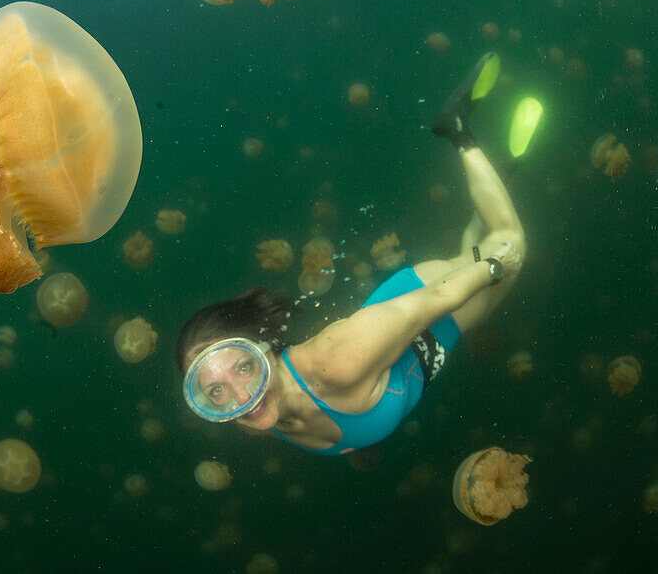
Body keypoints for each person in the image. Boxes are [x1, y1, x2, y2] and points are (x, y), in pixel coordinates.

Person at [176, 53, 531, 456]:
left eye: (243, 366)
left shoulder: (336, 362)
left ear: (262, 346)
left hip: (432, 311)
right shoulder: (253, 417)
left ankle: (459, 131)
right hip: (402, 337)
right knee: (472, 250)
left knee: (511, 240)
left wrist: (496, 265)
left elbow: (438, 298)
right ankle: (502, 179)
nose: (241, 396)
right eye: (215, 390)